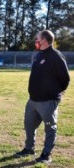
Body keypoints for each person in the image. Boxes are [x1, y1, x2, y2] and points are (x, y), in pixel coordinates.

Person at [15, 30, 70, 163]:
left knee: (50, 128)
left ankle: (46, 154)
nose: (35, 41)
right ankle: (29, 148)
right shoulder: (40, 55)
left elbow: (65, 78)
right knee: (29, 126)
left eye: (37, 39)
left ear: (44, 40)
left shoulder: (56, 56)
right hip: (33, 100)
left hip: (48, 101)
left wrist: (56, 93)